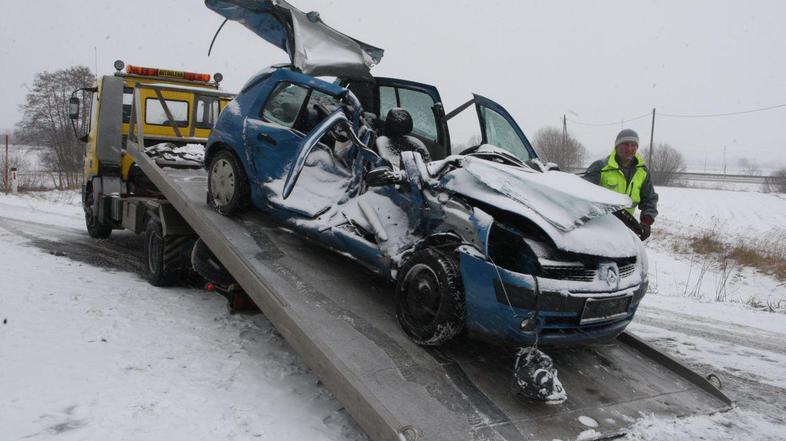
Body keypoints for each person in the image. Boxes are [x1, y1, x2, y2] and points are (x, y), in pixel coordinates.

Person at [584, 129, 659, 240]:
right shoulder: (600, 167)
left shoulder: (642, 171)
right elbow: (583, 193)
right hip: (599, 227)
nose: (629, 149)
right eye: (625, 144)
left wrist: (646, 222)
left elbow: (649, 199)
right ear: (617, 146)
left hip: (626, 228)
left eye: (633, 145)